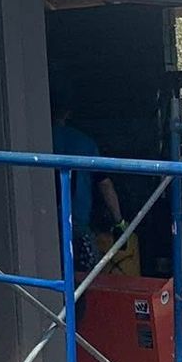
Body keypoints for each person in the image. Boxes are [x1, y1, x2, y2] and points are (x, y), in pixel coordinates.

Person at [50, 94, 125, 268]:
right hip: (75, 222)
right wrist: (119, 221)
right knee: (89, 275)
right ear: (68, 113)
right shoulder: (84, 143)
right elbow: (104, 184)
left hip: (43, 221)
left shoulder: (36, 140)